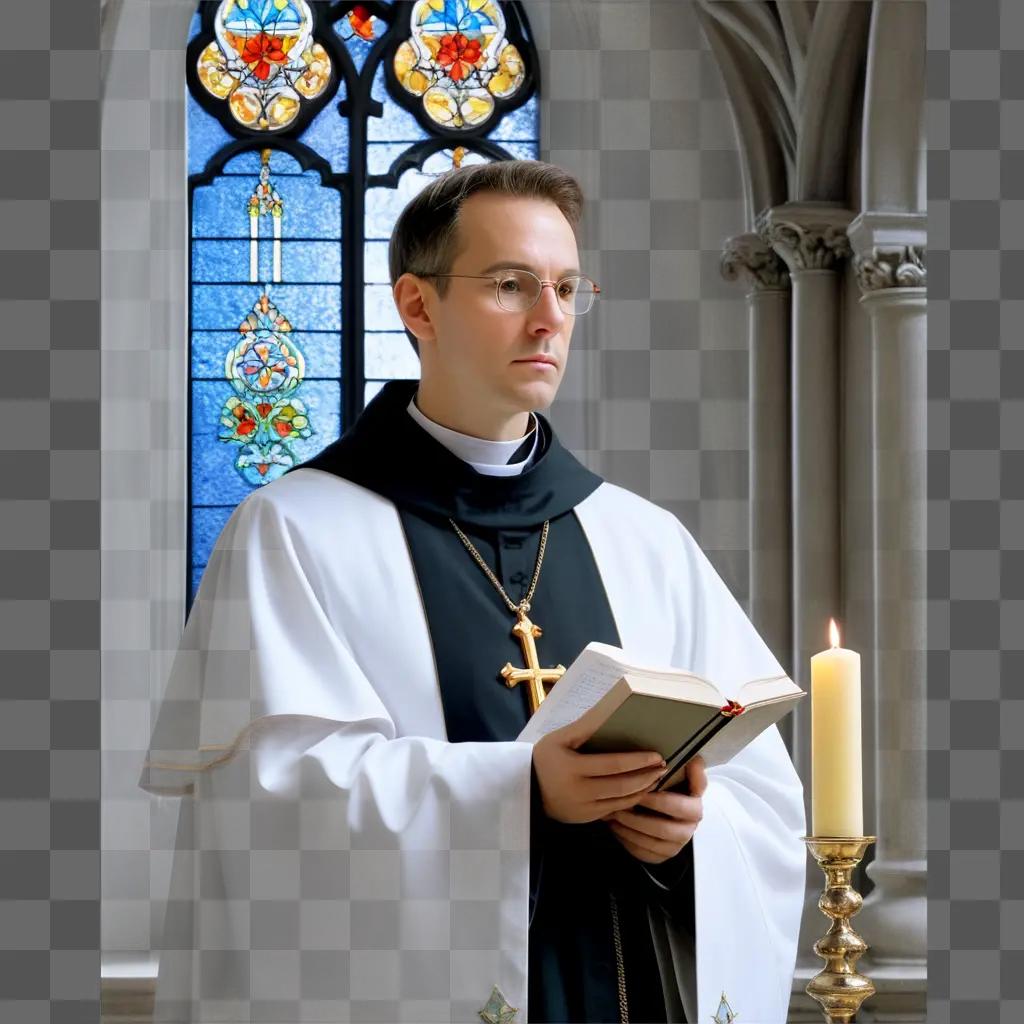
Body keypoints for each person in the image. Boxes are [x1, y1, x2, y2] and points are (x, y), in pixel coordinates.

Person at [143, 159, 805, 1024]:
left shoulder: (644, 540)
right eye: (511, 285)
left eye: (569, 288)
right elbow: (270, 813)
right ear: (418, 306)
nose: (550, 319)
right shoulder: (296, 529)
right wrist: (520, 791)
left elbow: (763, 800)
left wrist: (685, 836)